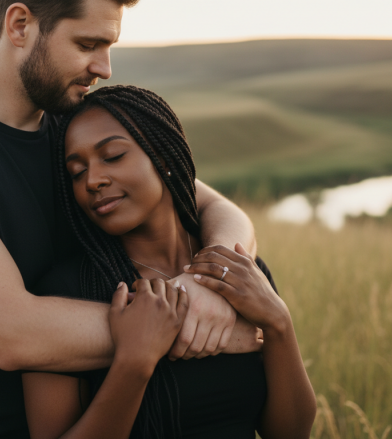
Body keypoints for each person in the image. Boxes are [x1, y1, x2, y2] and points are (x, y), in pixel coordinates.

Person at [0, 0, 262, 437]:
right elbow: (14, 335)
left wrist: (208, 281)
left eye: (108, 46)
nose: (105, 68)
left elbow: (215, 207)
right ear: (20, 25)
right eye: (88, 44)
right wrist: (201, 325)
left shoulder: (74, 131)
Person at [23, 85, 317, 439]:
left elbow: (290, 433)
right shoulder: (65, 293)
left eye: (113, 155)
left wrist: (278, 323)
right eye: (76, 172)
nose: (93, 180)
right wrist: (135, 363)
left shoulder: (239, 273)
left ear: (162, 158)